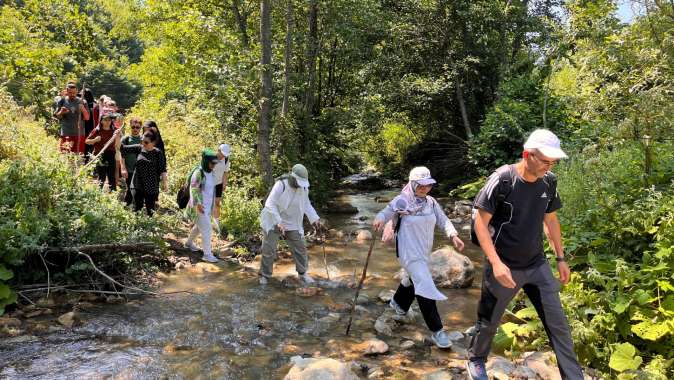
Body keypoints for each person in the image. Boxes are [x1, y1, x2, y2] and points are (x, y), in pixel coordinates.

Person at [466, 129, 583, 380]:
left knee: (558, 325)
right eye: (544, 160)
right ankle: (476, 359)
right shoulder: (503, 180)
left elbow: (550, 220)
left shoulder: (548, 181)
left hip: (537, 264)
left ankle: (574, 377)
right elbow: (479, 223)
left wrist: (560, 258)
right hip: (504, 265)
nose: (548, 166)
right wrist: (495, 263)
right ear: (527, 155)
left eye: (553, 162)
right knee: (488, 321)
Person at [372, 166, 465, 349]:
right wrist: (380, 219)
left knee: (413, 278)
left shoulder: (431, 202)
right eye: (420, 185)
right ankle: (437, 330)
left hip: (423, 252)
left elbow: (443, 219)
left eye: (427, 185)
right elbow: (386, 211)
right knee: (425, 285)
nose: (424, 189)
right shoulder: (402, 201)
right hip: (407, 252)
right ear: (412, 184)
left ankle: (398, 303)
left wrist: (453, 235)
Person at [258, 164, 322, 285]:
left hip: (292, 222)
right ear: (292, 177)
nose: (300, 185)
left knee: (300, 247)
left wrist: (315, 218)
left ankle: (302, 274)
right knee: (269, 249)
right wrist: (279, 221)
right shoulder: (281, 184)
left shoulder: (304, 188)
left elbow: (307, 204)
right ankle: (265, 275)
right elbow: (269, 203)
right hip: (273, 219)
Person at [185, 149, 220, 263]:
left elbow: (211, 190)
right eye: (212, 163)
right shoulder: (198, 173)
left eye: (215, 163)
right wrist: (198, 204)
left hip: (207, 206)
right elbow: (194, 189)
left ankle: (188, 243)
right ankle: (207, 255)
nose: (214, 165)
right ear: (206, 161)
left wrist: (214, 205)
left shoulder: (211, 172)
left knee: (199, 227)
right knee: (207, 229)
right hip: (198, 207)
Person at [131, 130, 167, 216]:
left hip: (151, 186)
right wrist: (117, 136)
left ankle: (149, 227)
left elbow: (162, 169)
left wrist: (164, 183)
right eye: (142, 141)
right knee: (137, 209)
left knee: (150, 211)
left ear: (153, 143)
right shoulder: (139, 148)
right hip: (137, 184)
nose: (143, 143)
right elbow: (121, 148)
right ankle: (136, 227)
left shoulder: (158, 153)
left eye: (146, 142)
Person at [85, 113, 121, 191]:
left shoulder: (114, 130)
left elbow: (118, 145)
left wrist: (118, 136)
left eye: (109, 120)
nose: (108, 122)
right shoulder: (97, 130)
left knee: (111, 175)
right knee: (102, 175)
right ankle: (99, 194)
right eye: (105, 120)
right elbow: (87, 141)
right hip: (100, 154)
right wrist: (95, 140)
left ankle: (113, 193)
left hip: (111, 154)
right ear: (101, 121)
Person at [54, 82, 90, 154]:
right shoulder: (62, 101)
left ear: (77, 91)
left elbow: (87, 118)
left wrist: (83, 109)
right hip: (66, 133)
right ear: (67, 91)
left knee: (78, 155)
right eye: (70, 93)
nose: (72, 95)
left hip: (79, 134)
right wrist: (62, 112)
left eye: (74, 93)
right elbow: (57, 116)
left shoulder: (83, 101)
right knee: (65, 155)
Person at [121, 117, 144, 206]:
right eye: (133, 127)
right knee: (130, 188)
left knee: (139, 189)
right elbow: (121, 155)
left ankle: (138, 207)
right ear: (130, 126)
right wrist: (123, 168)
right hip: (129, 169)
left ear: (140, 127)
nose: (135, 129)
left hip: (141, 169)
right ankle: (126, 205)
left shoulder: (143, 139)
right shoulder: (126, 139)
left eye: (137, 127)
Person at [212, 144, 232, 224]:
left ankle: (216, 223)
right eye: (222, 154)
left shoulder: (226, 159)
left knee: (217, 203)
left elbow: (225, 172)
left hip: (219, 184)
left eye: (225, 155)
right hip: (208, 184)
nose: (223, 156)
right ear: (218, 151)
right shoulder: (211, 158)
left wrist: (224, 183)